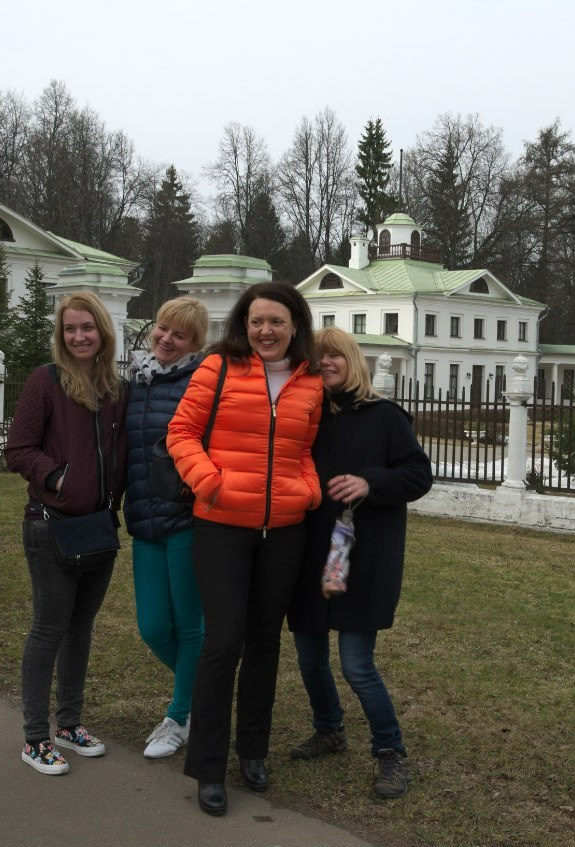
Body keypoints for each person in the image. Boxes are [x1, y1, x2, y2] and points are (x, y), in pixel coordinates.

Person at [167, 281, 323, 816]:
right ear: (244, 324)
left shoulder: (309, 380)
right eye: (257, 321)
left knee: (264, 642)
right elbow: (181, 432)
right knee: (223, 642)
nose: (265, 330)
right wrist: (209, 482)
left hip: (285, 529)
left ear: (295, 325)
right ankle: (208, 766)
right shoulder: (218, 367)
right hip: (221, 526)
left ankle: (253, 751)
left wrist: (308, 490)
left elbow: (305, 449)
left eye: (276, 321)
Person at [286, 326, 432, 799]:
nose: (325, 363)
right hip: (309, 554)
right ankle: (329, 728)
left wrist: (371, 483)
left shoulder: (384, 416)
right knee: (309, 658)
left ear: (352, 361)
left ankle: (390, 752)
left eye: (334, 356)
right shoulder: (305, 415)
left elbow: (418, 474)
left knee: (356, 664)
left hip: (364, 556)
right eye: (316, 358)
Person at [4, 292, 128, 776]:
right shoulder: (48, 381)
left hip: (98, 527)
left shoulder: (116, 389)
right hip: (50, 525)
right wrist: (58, 478)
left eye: (87, 327)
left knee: (81, 628)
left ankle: (69, 724)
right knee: (49, 629)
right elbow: (18, 449)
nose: (79, 336)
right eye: (70, 329)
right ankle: (36, 738)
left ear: (103, 332)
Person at [122, 296, 209, 759]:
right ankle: (208, 693)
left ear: (195, 343)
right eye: (162, 328)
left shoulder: (202, 382)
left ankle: (179, 716)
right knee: (154, 627)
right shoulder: (135, 381)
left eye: (180, 334)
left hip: (186, 517)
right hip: (143, 517)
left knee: (189, 626)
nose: (167, 339)